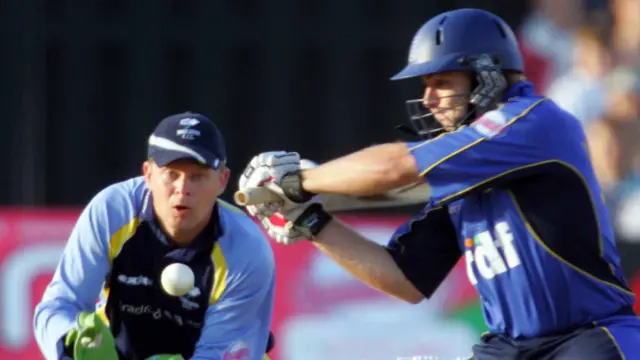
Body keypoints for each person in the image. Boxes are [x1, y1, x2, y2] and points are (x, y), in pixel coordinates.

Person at [237, 8, 640, 360]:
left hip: (589, 336)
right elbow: (405, 279)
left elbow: (397, 166)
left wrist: (298, 182)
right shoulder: (466, 167)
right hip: (510, 346)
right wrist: (311, 222)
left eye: (442, 82)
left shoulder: (534, 122)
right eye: (425, 85)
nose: (429, 98)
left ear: (486, 75)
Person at [34, 112, 276, 360]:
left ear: (223, 181)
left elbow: (220, 351)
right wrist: (70, 344)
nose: (183, 189)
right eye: (171, 174)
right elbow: (59, 305)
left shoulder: (247, 249)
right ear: (148, 174)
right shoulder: (113, 210)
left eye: (198, 176)